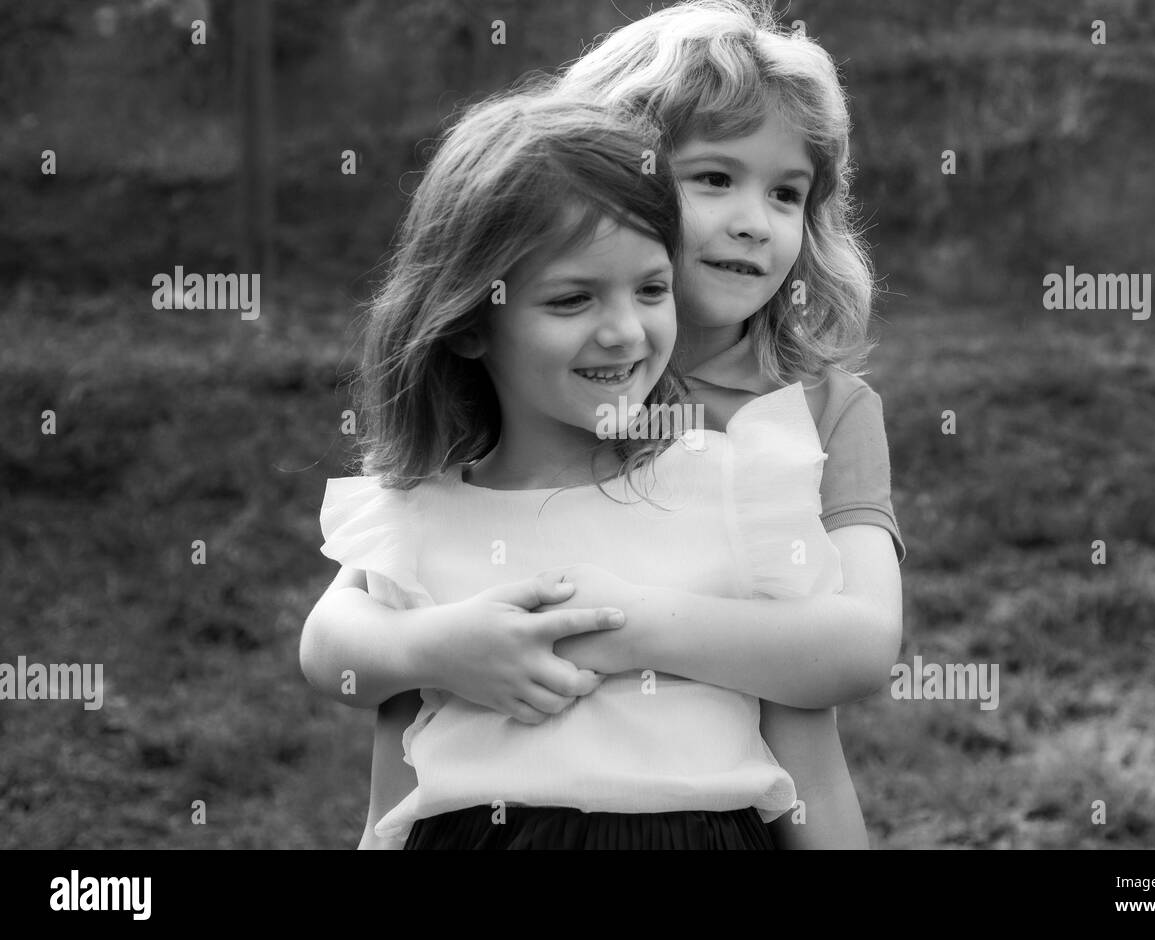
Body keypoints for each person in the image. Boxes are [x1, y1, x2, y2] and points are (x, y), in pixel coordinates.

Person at [304, 0, 905, 849]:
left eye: (787, 193)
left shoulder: (797, 424)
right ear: (623, 178)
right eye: (713, 178)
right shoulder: (516, 392)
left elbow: (851, 653)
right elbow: (357, 629)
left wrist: (623, 628)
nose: (751, 219)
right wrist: (441, 647)